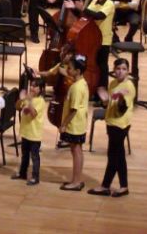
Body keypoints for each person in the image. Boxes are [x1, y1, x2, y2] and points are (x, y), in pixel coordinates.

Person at [88, 58, 135, 198]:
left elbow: (122, 107)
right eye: (118, 69)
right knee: (118, 156)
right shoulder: (113, 83)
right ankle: (123, 186)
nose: (121, 71)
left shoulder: (129, 86)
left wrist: (120, 100)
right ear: (114, 70)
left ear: (128, 71)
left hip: (120, 125)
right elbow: (110, 104)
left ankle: (105, 186)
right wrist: (105, 101)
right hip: (111, 122)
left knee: (113, 156)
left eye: (124, 69)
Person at [65, 0, 115, 91]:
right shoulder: (94, 1)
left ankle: (102, 90)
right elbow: (86, 16)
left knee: (102, 66)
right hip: (92, 38)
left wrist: (82, 8)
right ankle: (92, 86)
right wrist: (74, 8)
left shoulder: (109, 4)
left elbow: (98, 16)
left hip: (104, 39)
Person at [58, 55, 89, 191]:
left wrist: (63, 124)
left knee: (76, 151)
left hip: (74, 125)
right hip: (79, 124)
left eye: (70, 68)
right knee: (77, 150)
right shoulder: (82, 82)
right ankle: (77, 179)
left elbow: (73, 110)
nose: (68, 70)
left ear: (77, 71)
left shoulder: (76, 88)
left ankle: (76, 182)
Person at [11, 78, 46, 185]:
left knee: (34, 156)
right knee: (24, 155)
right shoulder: (27, 98)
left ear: (41, 89)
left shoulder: (40, 101)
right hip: (26, 132)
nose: (32, 88)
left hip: (35, 134)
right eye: (31, 85)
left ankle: (35, 177)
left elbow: (33, 114)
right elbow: (17, 107)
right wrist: (21, 99)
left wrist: (29, 101)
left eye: (35, 86)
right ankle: (22, 173)